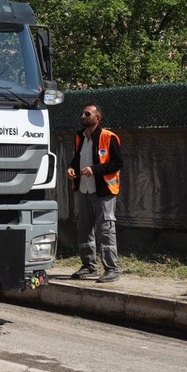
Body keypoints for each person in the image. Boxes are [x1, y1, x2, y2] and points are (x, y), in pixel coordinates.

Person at [67, 104, 123, 283]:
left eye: (87, 114)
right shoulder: (80, 136)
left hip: (103, 191)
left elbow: (117, 163)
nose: (82, 115)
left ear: (97, 118)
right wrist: (71, 167)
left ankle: (112, 269)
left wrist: (94, 169)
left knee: (105, 230)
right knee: (84, 230)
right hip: (84, 189)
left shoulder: (109, 137)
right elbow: (77, 158)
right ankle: (89, 266)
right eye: (82, 113)